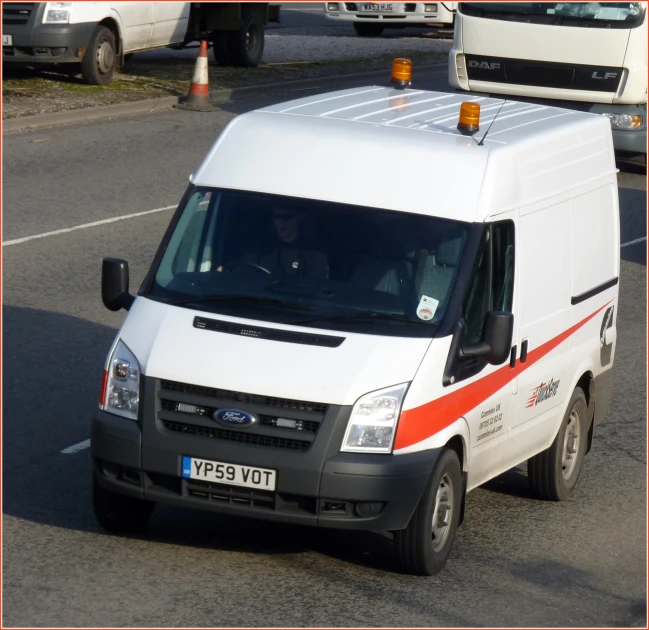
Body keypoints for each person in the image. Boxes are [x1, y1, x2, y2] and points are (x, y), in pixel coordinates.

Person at [220, 204, 329, 279]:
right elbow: (241, 275)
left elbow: (313, 294)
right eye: (277, 216)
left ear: (299, 218)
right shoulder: (259, 248)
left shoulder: (314, 255)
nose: (281, 222)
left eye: (287, 217)